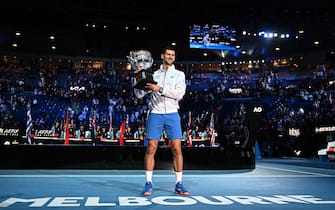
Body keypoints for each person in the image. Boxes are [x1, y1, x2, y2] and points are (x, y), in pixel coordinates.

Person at [133, 46, 189, 196]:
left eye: (173, 55)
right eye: (168, 54)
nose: (171, 56)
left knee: (177, 148)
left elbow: (180, 94)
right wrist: (138, 77)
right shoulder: (153, 74)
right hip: (155, 113)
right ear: (162, 56)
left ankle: (179, 183)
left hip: (172, 113)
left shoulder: (179, 74)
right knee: (151, 147)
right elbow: (139, 94)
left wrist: (160, 89)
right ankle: (148, 183)